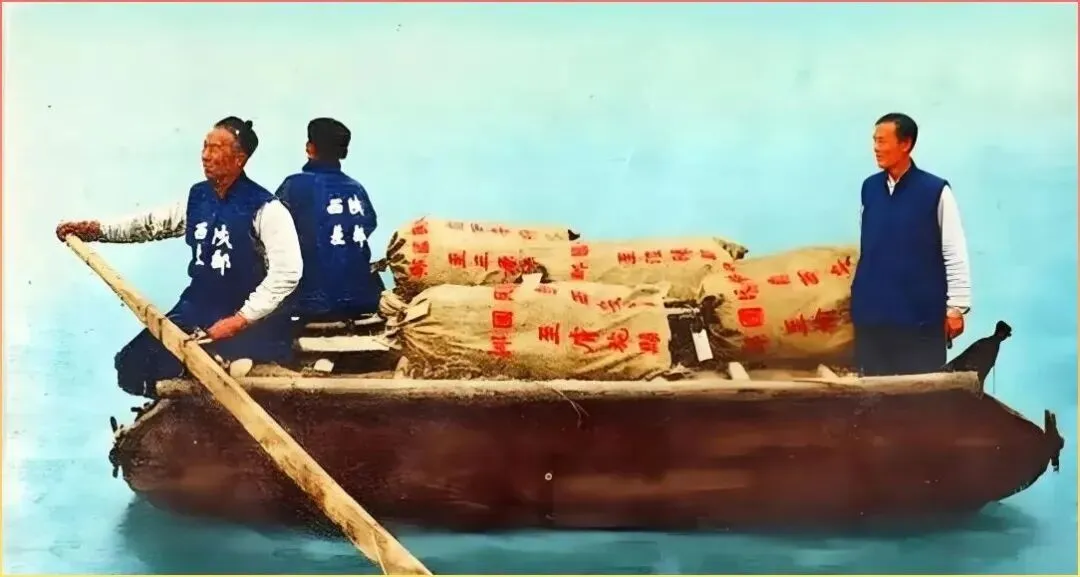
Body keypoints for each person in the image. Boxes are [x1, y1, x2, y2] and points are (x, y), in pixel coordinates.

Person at [55, 116, 304, 398]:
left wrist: (239, 320)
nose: (205, 156)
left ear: (240, 159)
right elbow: (149, 224)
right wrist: (95, 230)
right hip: (197, 308)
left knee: (220, 362)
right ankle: (191, 394)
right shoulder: (198, 198)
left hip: (243, 312)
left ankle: (225, 364)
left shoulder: (267, 209)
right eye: (204, 147)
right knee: (129, 366)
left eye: (216, 148)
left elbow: (287, 272)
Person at [850, 112, 972, 376]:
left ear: (905, 144)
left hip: (919, 320)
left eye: (882, 141)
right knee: (873, 392)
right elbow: (868, 248)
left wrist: (956, 308)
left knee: (920, 393)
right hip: (872, 318)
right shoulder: (869, 188)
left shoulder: (935, 191)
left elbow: (954, 251)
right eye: (874, 141)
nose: (876, 148)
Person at [273, 117, 381, 322]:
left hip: (313, 300)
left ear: (310, 148)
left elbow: (266, 231)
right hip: (362, 297)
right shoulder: (356, 188)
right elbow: (369, 223)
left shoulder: (295, 185)